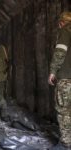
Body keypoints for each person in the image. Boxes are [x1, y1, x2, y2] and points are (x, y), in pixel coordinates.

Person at [48, 12, 71, 149]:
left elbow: (60, 53)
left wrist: (52, 71)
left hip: (67, 79)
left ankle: (67, 144)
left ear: (62, 22)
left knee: (64, 113)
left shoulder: (65, 30)